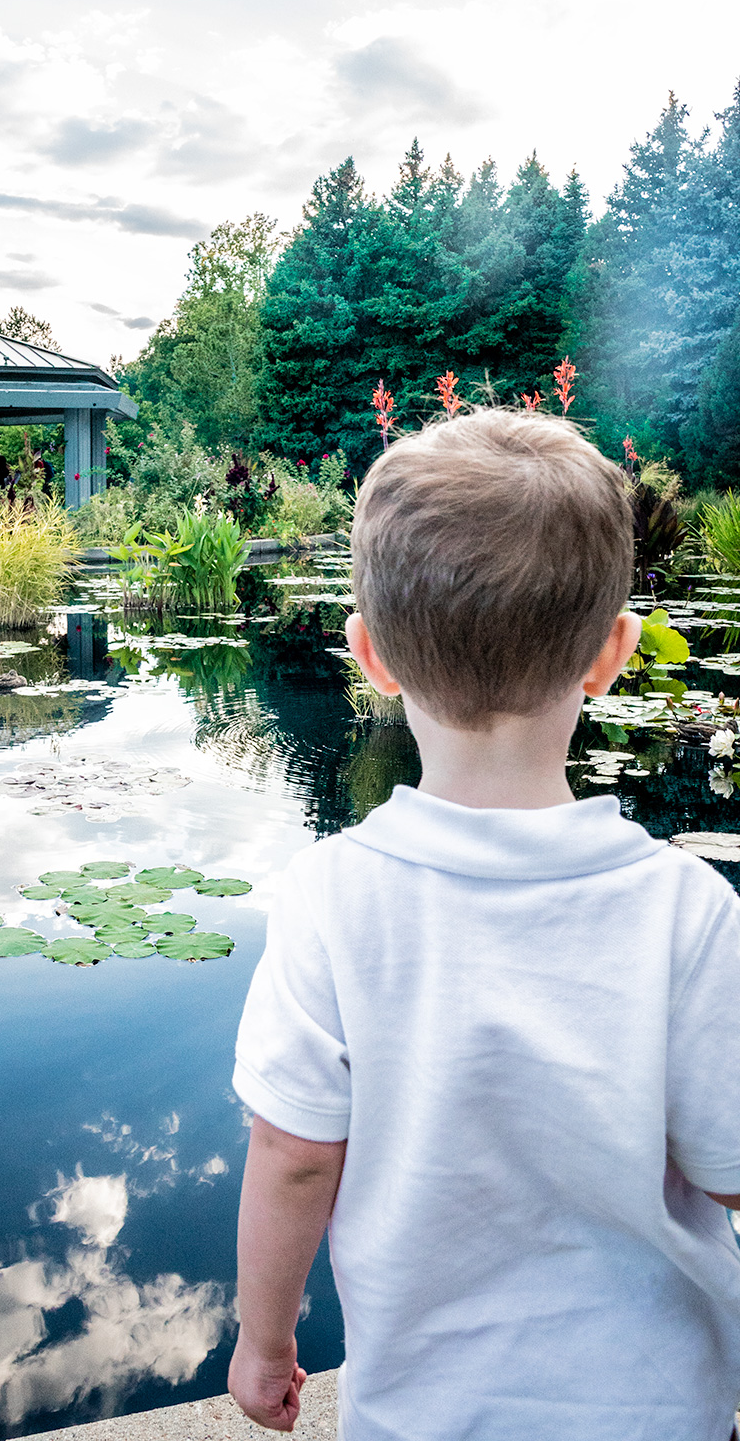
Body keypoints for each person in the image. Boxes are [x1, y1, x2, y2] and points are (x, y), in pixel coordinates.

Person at [229, 408, 740, 1441]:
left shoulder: (333, 893)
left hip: (422, 1412)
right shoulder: (688, 909)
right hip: (658, 1409)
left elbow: (291, 1154)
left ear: (370, 656)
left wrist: (265, 1343)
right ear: (612, 655)